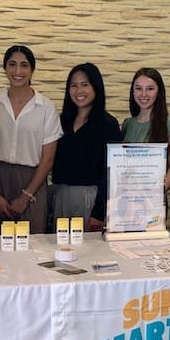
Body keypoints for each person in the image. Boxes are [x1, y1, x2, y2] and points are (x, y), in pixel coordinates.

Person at [0, 45, 61, 234]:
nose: (18, 71)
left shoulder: (46, 108)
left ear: (32, 70)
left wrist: (26, 196)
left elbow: (47, 159)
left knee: (34, 247)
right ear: (5, 68)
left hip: (33, 183)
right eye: (12, 64)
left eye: (24, 65)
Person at [52, 62, 122, 232]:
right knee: (61, 247)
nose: (79, 91)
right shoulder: (61, 121)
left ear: (96, 87)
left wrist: (99, 212)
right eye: (74, 85)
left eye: (85, 85)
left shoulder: (108, 124)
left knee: (87, 252)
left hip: (91, 198)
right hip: (61, 195)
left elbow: (112, 172)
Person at [121, 68, 170, 192]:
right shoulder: (128, 124)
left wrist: (154, 194)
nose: (143, 94)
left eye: (150, 89)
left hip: (154, 200)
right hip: (127, 198)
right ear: (132, 91)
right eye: (138, 88)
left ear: (159, 92)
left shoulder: (169, 124)